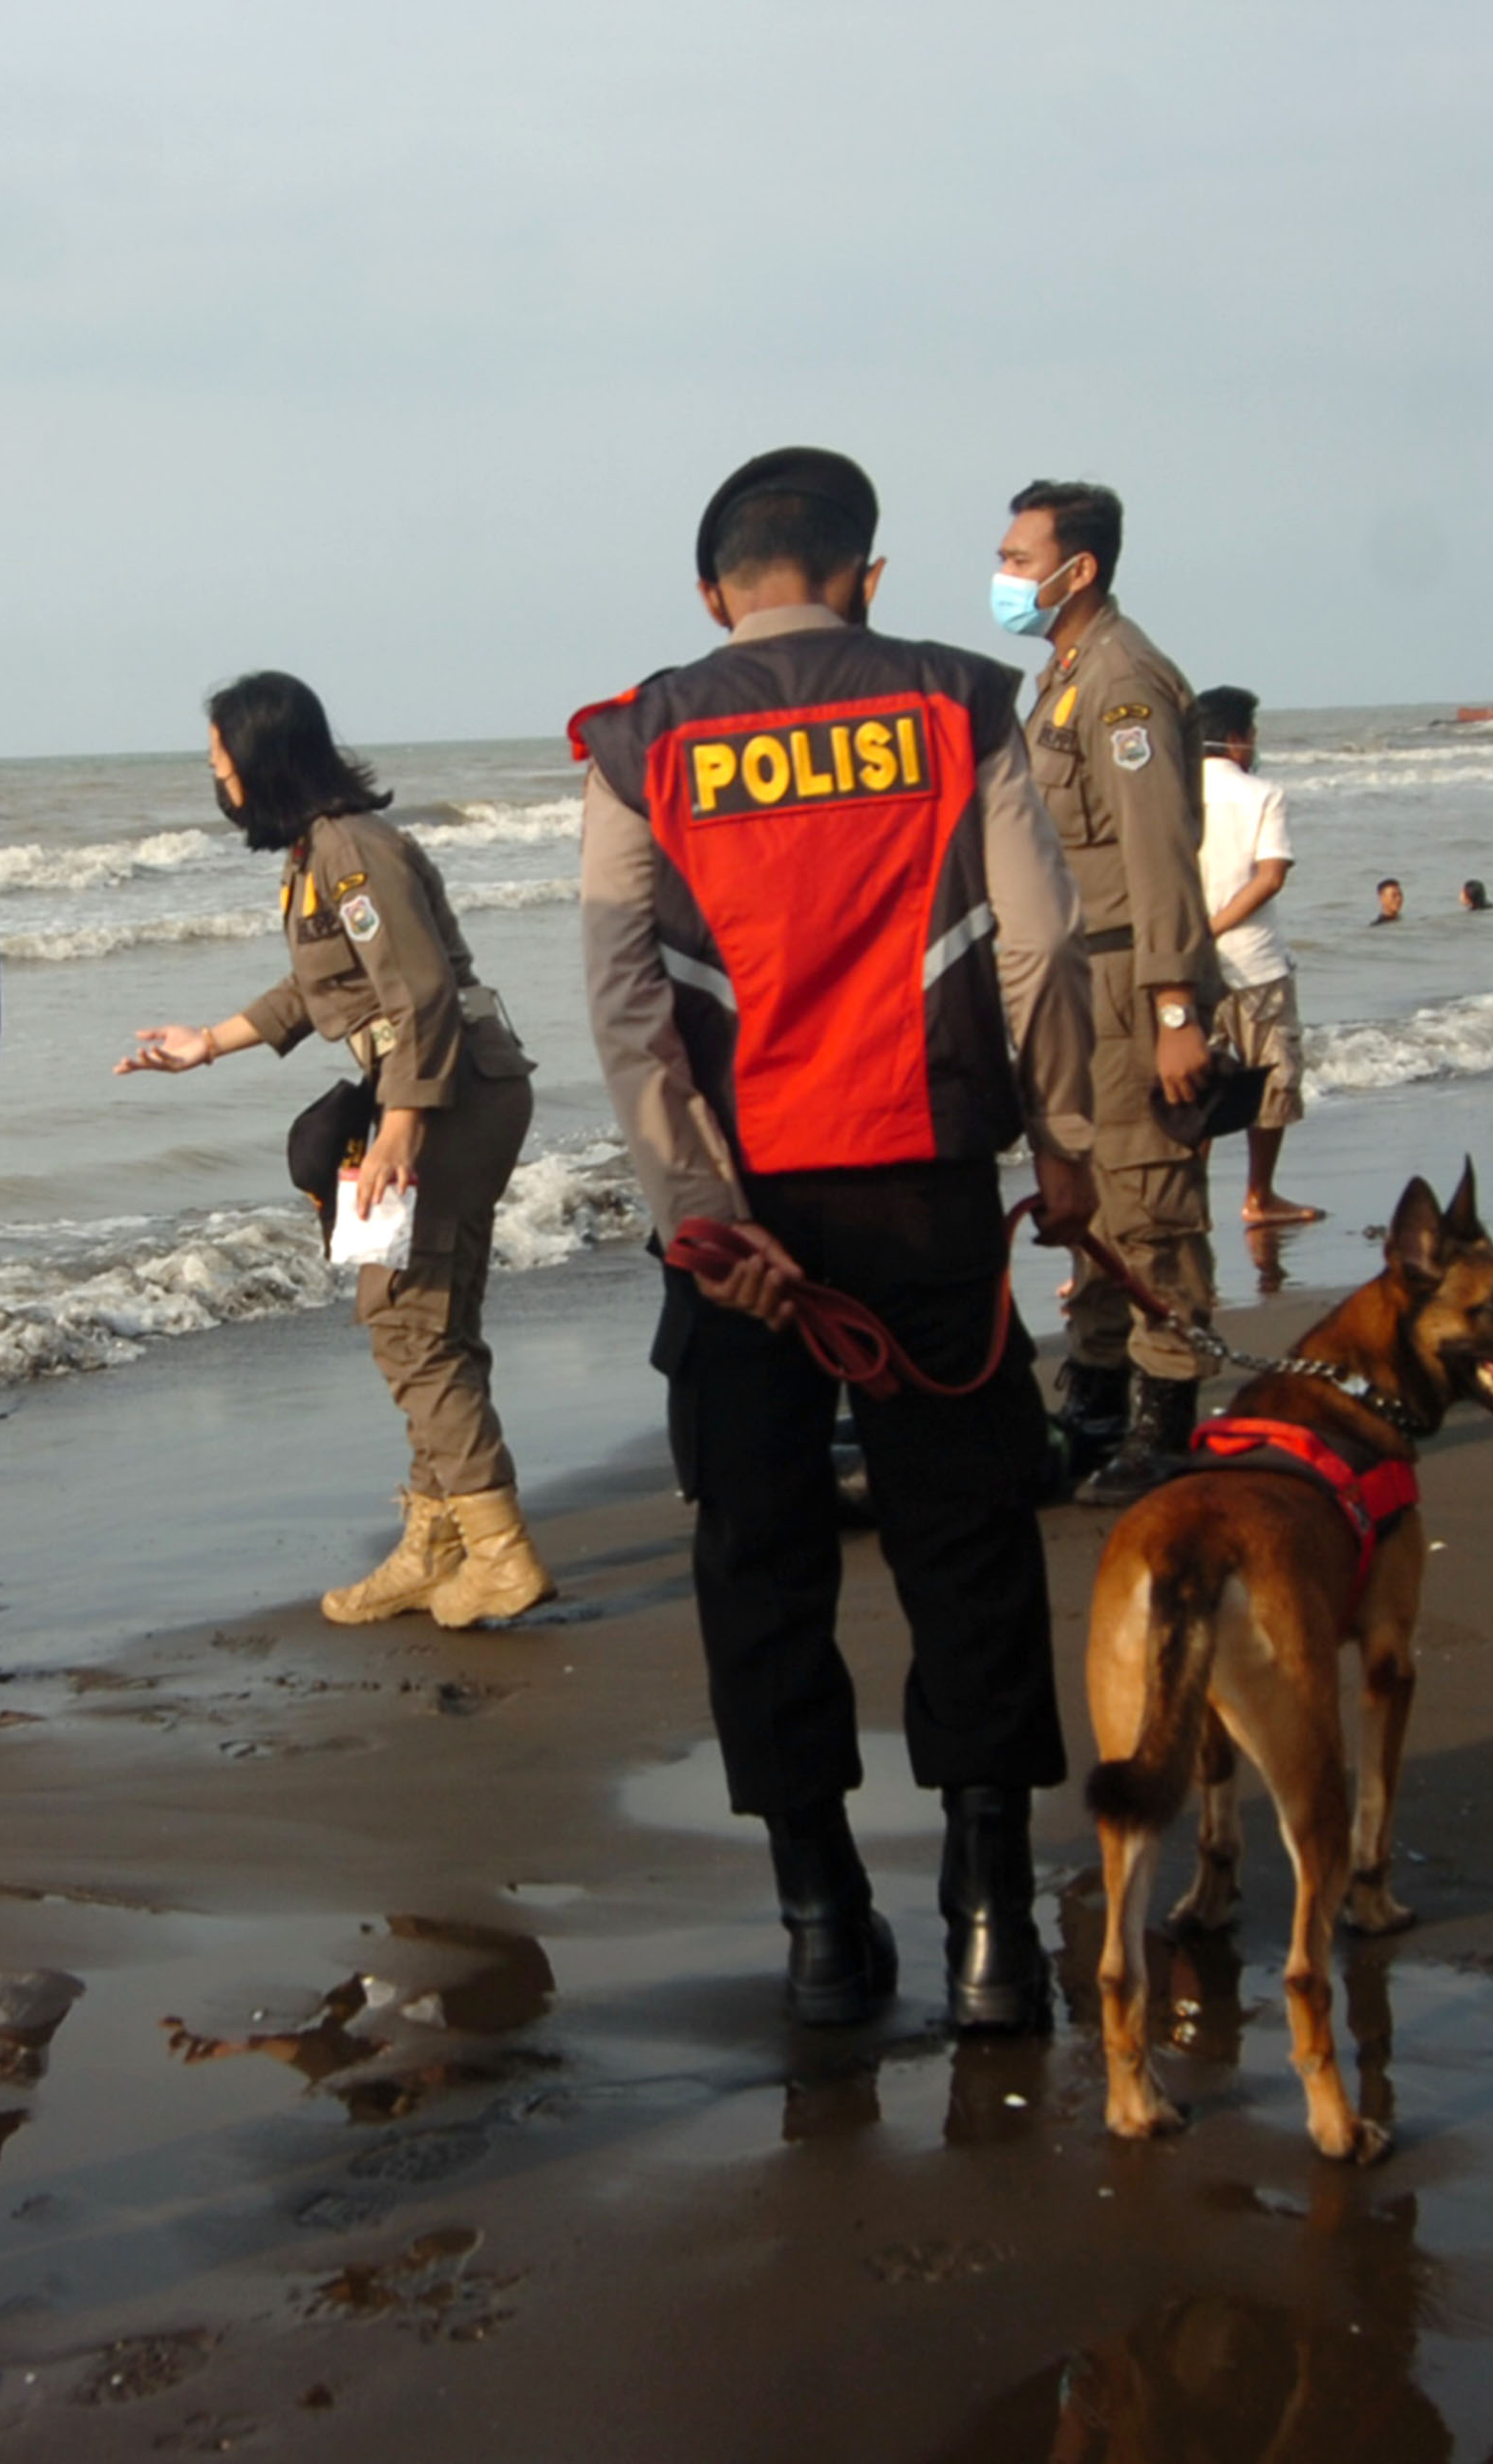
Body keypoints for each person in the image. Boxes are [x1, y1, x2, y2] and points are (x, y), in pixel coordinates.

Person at [573, 446, 1098, 2035]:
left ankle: (821, 1924)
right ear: (865, 578)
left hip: (743, 1231)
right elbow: (1042, 946)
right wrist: (1064, 1143)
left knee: (759, 1556)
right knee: (969, 1543)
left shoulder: (640, 738)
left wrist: (700, 1213)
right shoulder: (959, 701)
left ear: (711, 595)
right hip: (927, 1196)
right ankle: (992, 1932)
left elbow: (625, 1004)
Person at [114, 669, 552, 1628]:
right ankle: (437, 1537)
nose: (217, 781)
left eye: (221, 761)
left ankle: (498, 1551)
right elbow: (321, 986)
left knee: (405, 1322)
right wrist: (208, 1042)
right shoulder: (321, 852)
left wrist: (401, 1121)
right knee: (434, 1319)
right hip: (453, 1086)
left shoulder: (351, 850)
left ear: (262, 760)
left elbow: (420, 991)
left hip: (441, 1093)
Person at [994, 479, 1223, 1507]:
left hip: (1133, 977)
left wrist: (1176, 1009)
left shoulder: (1123, 682)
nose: (1004, 576)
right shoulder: (1064, 677)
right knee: (1088, 1205)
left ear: (1077, 569)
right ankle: (1094, 1401)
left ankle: (1165, 1420)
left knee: (1150, 1204)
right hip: (1078, 984)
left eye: (1019, 559)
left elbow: (1159, 850)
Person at [1188, 690, 1319, 1228]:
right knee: (1271, 1077)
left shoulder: (1173, 793)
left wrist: (1194, 933)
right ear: (1237, 737)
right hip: (1255, 960)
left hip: (1190, 965)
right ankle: (1259, 1195)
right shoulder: (1262, 794)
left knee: (1194, 1085)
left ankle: (1192, 1202)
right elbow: (1270, 877)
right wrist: (1216, 926)